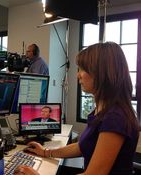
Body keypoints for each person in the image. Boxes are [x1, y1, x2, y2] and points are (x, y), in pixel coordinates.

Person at [14, 42, 140, 175]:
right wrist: (46, 152)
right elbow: (82, 146)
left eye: (82, 69)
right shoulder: (102, 110)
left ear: (101, 73)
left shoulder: (115, 117)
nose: (78, 75)